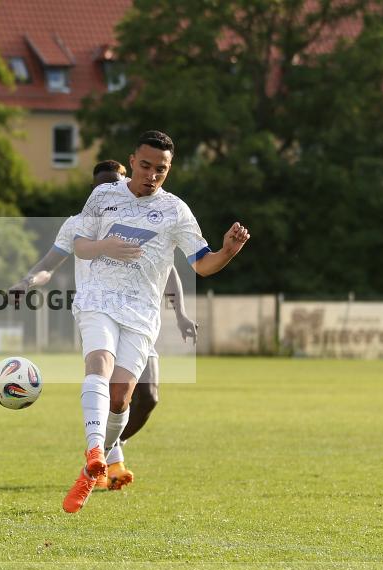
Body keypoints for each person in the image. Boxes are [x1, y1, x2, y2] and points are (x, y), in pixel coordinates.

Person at [63, 130, 249, 513]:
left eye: (160, 169)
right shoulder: (103, 196)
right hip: (99, 300)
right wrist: (104, 246)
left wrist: (228, 252)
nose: (151, 175)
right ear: (132, 161)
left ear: (169, 168)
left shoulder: (176, 211)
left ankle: (92, 468)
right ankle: (96, 451)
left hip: (142, 314)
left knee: (122, 398)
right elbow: (79, 245)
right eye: (145, 166)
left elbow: (202, 264)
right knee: (99, 363)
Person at [9, 159, 198, 492]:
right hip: (98, 313)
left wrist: (180, 313)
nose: (109, 188)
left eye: (115, 182)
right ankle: (105, 457)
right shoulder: (78, 223)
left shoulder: (144, 219)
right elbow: (48, 265)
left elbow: (167, 270)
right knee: (107, 381)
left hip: (140, 317)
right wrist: (26, 282)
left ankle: (108, 448)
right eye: (102, 185)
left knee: (146, 397)